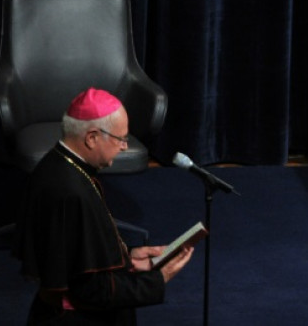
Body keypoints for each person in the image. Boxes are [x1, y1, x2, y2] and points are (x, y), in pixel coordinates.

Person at [15, 87, 194, 324]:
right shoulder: (72, 192)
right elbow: (93, 292)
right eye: (121, 139)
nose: (124, 147)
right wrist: (159, 278)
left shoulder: (56, 164)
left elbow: (75, 254)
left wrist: (128, 257)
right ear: (92, 138)